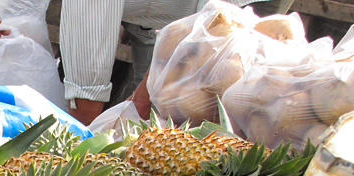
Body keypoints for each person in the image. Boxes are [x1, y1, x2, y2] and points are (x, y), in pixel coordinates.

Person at [59, 0, 288, 126]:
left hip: (234, 11)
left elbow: (216, 19)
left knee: (201, 106)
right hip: (152, 14)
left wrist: (143, 97)